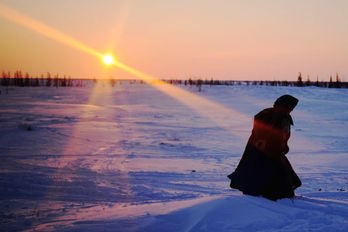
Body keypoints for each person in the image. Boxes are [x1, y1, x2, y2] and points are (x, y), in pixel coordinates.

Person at [228, 94, 301, 201]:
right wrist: (282, 146)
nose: (291, 110)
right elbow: (278, 134)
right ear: (285, 105)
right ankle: (274, 194)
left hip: (257, 148)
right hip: (271, 150)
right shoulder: (280, 117)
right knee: (274, 172)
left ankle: (260, 191)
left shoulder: (266, 113)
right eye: (291, 107)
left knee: (258, 170)